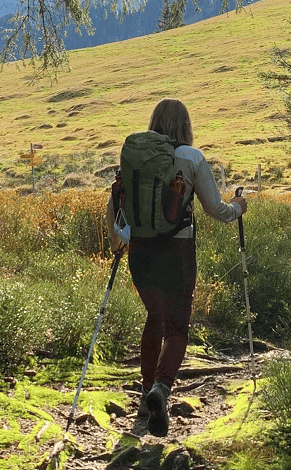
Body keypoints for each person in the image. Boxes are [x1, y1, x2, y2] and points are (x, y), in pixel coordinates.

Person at [107, 98, 247, 437]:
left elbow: (116, 203)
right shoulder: (191, 157)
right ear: (186, 125)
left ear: (154, 121)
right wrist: (239, 207)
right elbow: (216, 210)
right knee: (178, 328)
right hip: (178, 251)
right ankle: (162, 388)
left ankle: (144, 396)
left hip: (141, 251)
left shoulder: (135, 157)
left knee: (154, 317)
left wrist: (118, 244)